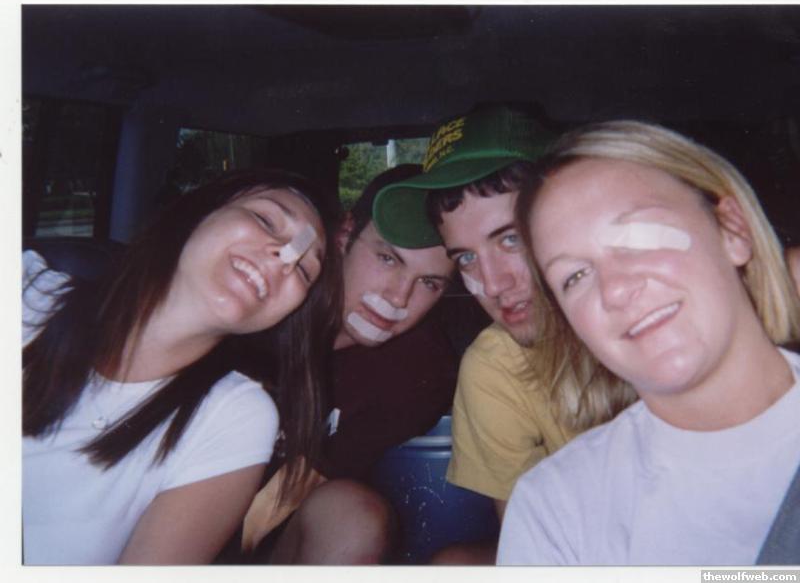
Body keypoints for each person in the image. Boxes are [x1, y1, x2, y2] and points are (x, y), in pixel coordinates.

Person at [499, 120, 800, 565]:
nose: (616, 290)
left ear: (732, 231)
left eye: (638, 235)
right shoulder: (556, 510)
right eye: (575, 276)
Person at [22, 169, 341, 565]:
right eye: (265, 219)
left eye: (306, 270)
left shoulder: (234, 419)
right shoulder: (25, 291)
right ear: (199, 212)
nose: (285, 256)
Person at [373, 104, 629, 564]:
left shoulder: (664, 311)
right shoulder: (496, 366)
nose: (492, 285)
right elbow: (531, 551)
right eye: (466, 258)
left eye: (510, 239)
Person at [234, 164, 457, 564]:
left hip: (264, 543)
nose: (399, 297)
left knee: (353, 517)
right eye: (387, 258)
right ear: (344, 234)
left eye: (429, 283)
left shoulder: (417, 367)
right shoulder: (269, 303)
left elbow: (289, 492)